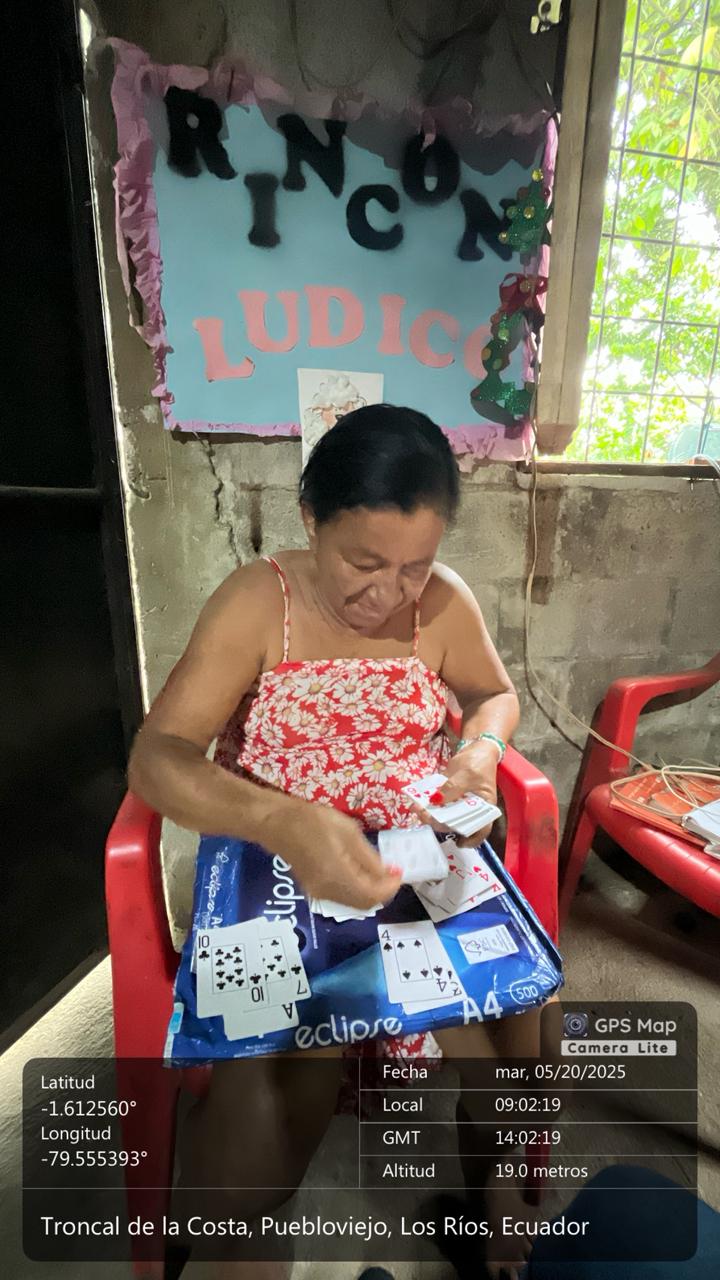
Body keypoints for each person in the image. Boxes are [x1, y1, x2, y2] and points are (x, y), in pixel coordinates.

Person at [128, 405, 561, 1280]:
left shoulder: (444, 602)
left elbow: (493, 695)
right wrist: (284, 820)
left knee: (529, 1021)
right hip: (275, 861)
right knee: (270, 1071)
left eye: (414, 566)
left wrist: (478, 754)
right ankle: (228, 1233)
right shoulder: (260, 602)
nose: (388, 593)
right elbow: (157, 757)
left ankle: (485, 1192)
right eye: (363, 562)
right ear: (310, 521)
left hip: (413, 847)